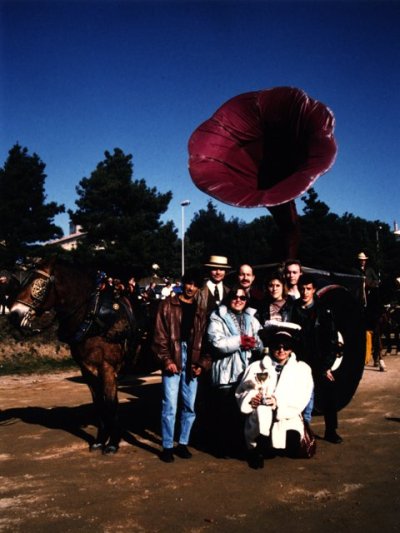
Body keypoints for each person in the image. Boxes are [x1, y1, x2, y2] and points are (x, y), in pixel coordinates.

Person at [152, 268, 208, 463]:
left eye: (195, 284)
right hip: (173, 356)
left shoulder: (201, 312)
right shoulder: (167, 305)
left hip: (193, 359)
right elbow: (159, 336)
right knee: (169, 405)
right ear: (183, 283)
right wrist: (166, 360)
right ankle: (167, 446)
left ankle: (182, 443)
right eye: (188, 283)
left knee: (189, 405)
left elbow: (206, 342)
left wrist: (202, 363)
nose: (190, 288)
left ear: (199, 288)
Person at [236, 330, 313, 469]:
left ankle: (273, 444)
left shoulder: (302, 369)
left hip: (287, 416)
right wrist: (252, 399)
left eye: (286, 346)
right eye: (277, 346)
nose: (281, 350)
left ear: (292, 348)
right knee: (262, 412)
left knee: (291, 445)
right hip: (261, 416)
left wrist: (278, 403)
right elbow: (242, 390)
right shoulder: (256, 366)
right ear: (271, 347)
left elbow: (302, 396)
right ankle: (258, 450)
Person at [207, 286, 263, 456]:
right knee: (225, 414)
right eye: (235, 297)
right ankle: (223, 449)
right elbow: (216, 343)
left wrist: (255, 344)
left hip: (245, 374)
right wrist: (240, 340)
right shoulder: (217, 316)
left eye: (243, 298)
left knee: (243, 413)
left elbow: (261, 342)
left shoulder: (251, 318)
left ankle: (241, 448)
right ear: (228, 298)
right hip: (225, 373)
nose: (239, 300)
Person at [291, 274, 343, 443]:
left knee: (329, 393)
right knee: (299, 397)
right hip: (300, 361)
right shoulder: (293, 310)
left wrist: (327, 366)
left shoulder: (324, 310)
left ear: (314, 289)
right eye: (302, 289)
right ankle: (300, 432)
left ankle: (331, 430)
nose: (305, 292)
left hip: (319, 361)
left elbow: (332, 339)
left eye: (308, 289)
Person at [354, 252, 385, 371]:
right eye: (360, 260)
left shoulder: (370, 270)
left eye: (364, 260)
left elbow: (377, 281)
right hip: (359, 302)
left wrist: (368, 284)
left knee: (376, 328)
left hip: (371, 302)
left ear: (366, 260)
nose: (362, 261)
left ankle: (378, 357)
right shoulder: (354, 271)